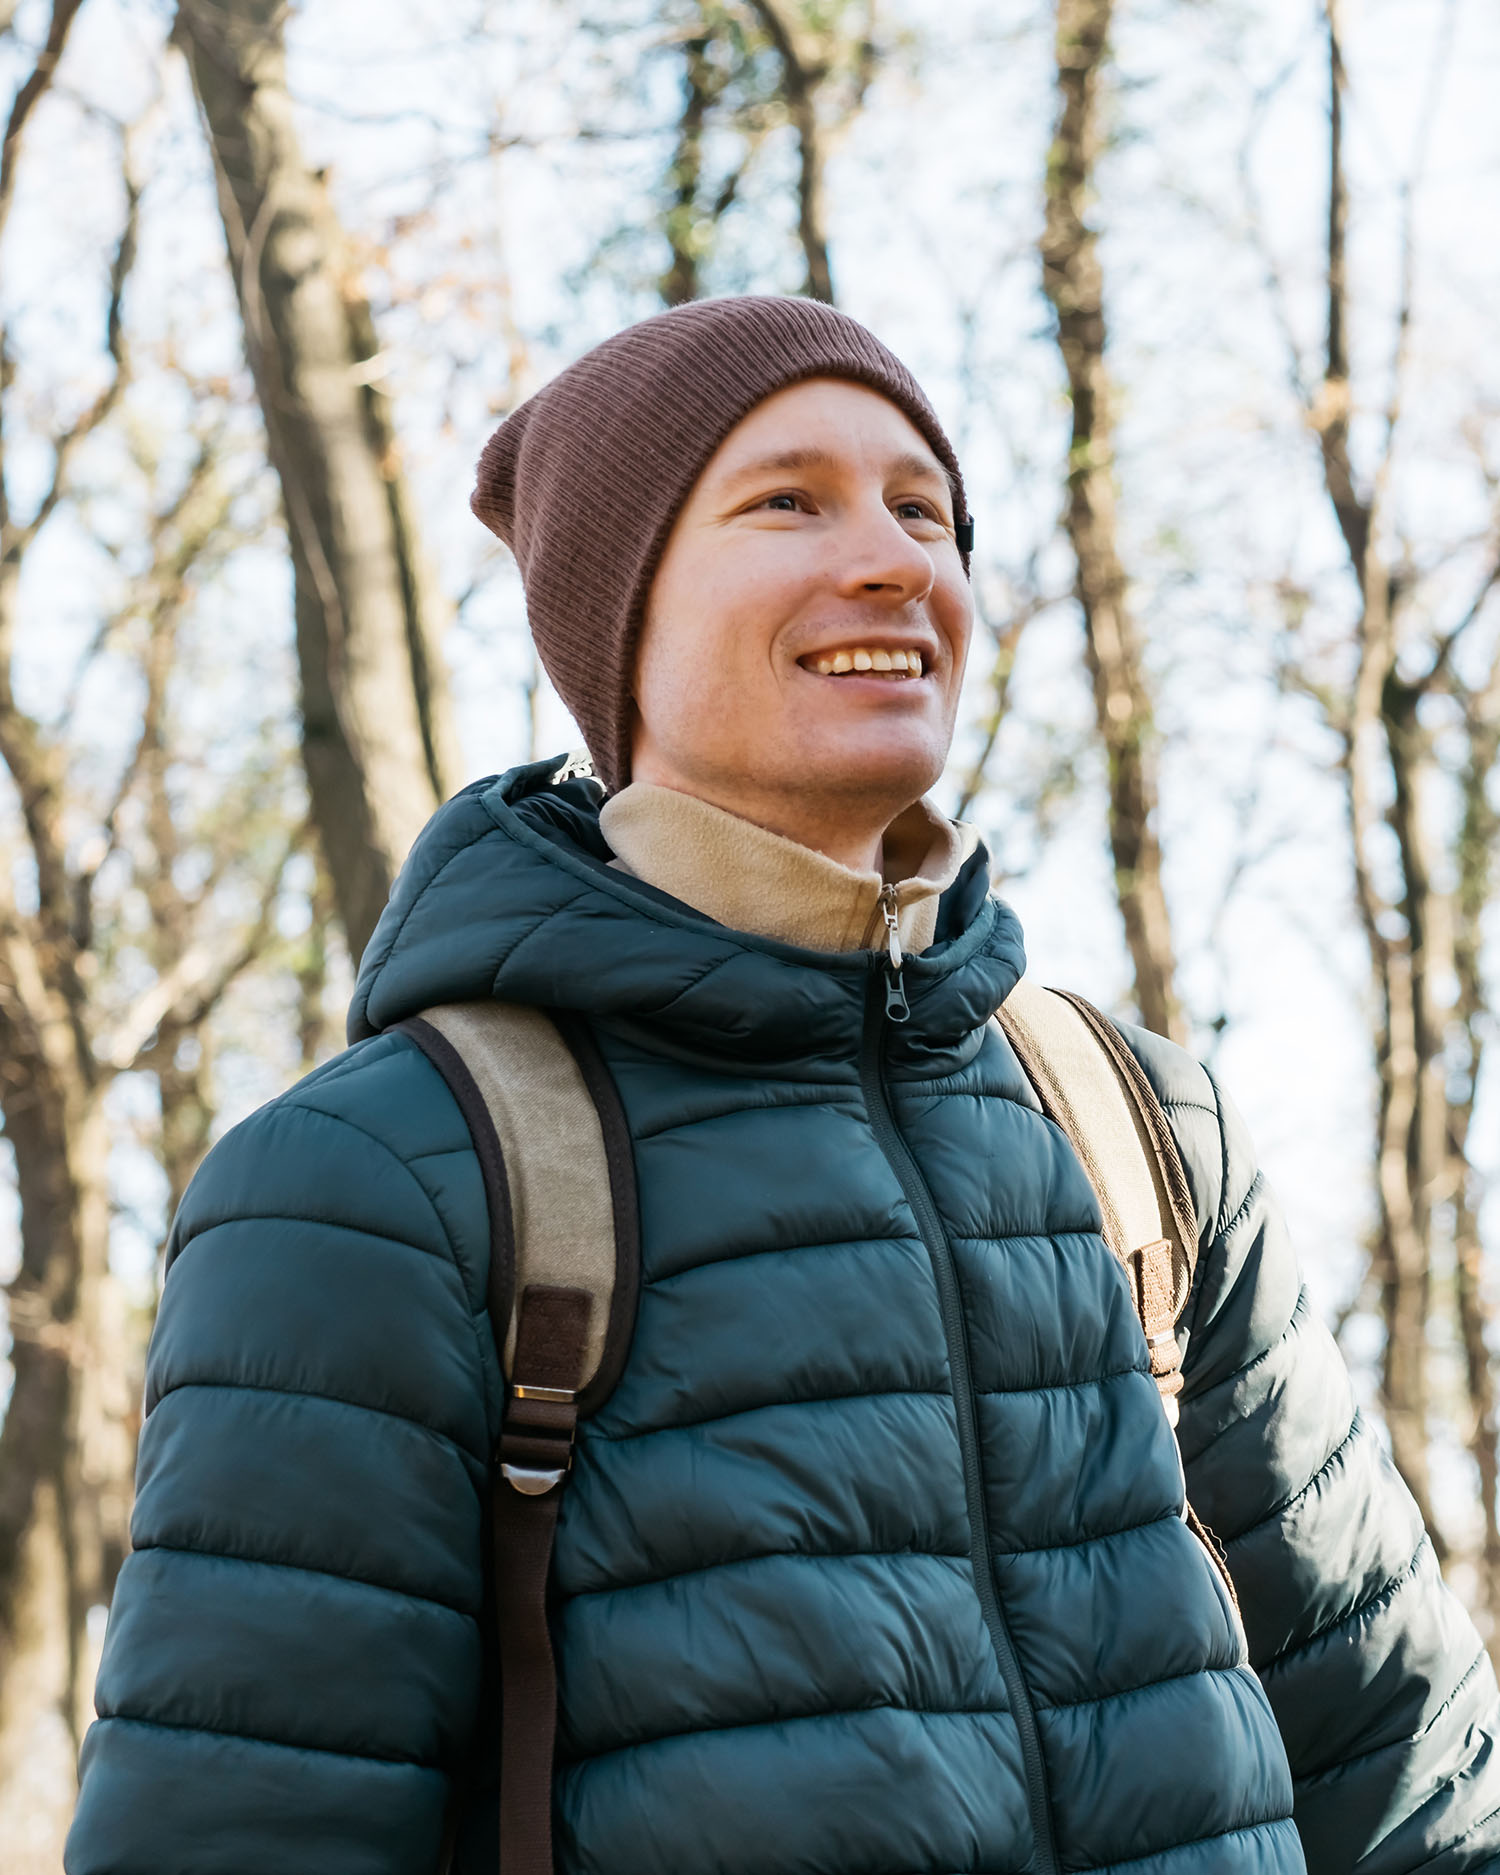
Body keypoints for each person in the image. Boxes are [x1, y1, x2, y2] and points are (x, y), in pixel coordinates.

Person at [66, 295, 1500, 1874]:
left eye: (925, 511)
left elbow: (1414, 1782)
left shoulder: (1143, 1132)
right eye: (786, 501)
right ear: (621, 625)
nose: (894, 559)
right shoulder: (378, 1184)